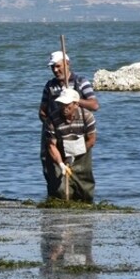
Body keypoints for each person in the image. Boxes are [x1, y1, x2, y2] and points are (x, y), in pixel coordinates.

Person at [38, 50, 98, 183]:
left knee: (80, 173)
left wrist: (73, 97)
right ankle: (56, 197)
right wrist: (50, 125)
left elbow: (94, 105)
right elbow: (42, 112)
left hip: (77, 134)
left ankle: (81, 198)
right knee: (52, 170)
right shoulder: (50, 86)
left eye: (58, 66)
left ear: (67, 64)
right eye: (53, 67)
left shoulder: (80, 82)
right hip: (55, 133)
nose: (55, 70)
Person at [42, 86, 97, 202]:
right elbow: (51, 145)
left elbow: (91, 140)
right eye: (61, 104)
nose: (64, 108)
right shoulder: (51, 119)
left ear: (76, 104)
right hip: (59, 153)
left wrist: (74, 154)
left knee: (85, 192)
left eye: (67, 105)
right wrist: (61, 163)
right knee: (60, 191)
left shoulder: (87, 117)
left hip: (81, 152)